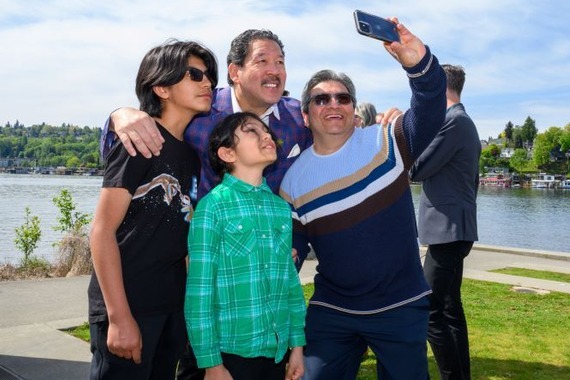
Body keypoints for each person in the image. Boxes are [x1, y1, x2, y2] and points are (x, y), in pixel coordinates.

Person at [279, 17, 447, 380]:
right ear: (306, 115)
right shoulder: (292, 181)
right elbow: (292, 247)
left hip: (400, 305)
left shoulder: (387, 142)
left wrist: (418, 64)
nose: (333, 104)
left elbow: (431, 111)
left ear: (353, 108)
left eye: (342, 97)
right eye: (321, 99)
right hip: (333, 309)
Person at [88, 39, 218, 380]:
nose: (207, 83)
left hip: (171, 309)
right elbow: (101, 231)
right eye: (195, 74)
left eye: (209, 77)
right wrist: (118, 317)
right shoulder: (138, 141)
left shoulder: (191, 156)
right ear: (161, 86)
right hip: (128, 305)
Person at [100, 29, 312, 198]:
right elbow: (151, 128)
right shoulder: (199, 111)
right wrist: (117, 117)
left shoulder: (300, 118)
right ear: (234, 72)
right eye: (262, 61)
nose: (274, 71)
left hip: (271, 243)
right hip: (202, 241)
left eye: (280, 62)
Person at [184, 112, 306, 380]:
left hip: (276, 352)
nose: (266, 135)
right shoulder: (212, 207)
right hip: (230, 355)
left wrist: (297, 346)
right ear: (228, 154)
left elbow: (290, 283)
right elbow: (199, 293)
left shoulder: (279, 208)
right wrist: (211, 363)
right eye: (252, 131)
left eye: (267, 131)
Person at [409, 64, 481, 380]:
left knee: (430, 310)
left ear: (441, 88)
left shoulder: (452, 122)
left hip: (448, 231)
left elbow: (417, 169)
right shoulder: (465, 122)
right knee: (450, 308)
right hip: (454, 228)